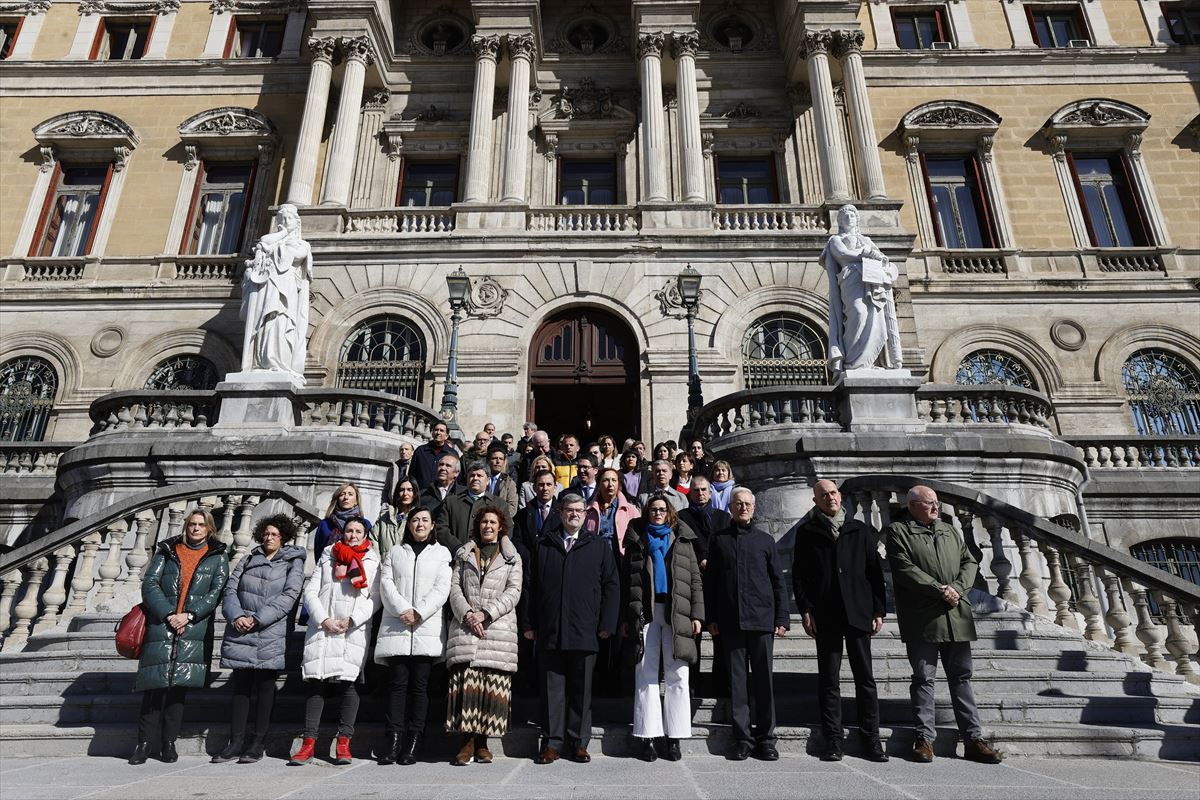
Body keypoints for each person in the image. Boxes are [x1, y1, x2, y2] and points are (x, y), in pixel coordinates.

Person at [886, 485, 1002, 765]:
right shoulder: (898, 531)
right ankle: (924, 739)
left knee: (962, 677)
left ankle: (974, 739)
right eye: (929, 503)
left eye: (936, 503)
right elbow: (904, 568)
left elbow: (969, 561)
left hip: (956, 614)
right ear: (913, 505)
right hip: (923, 617)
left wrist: (958, 589)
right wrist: (939, 589)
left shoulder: (949, 530)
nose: (936, 508)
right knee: (924, 678)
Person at [792, 480, 888, 763]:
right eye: (824, 495)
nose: (830, 498)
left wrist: (878, 609)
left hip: (858, 611)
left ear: (840, 496)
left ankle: (871, 738)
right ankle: (833, 739)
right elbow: (799, 577)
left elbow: (874, 572)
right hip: (826, 613)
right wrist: (806, 609)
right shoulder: (807, 532)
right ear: (815, 501)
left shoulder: (860, 529)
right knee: (829, 681)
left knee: (865, 680)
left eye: (833, 493)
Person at [523, 493, 619, 765]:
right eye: (569, 510)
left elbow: (611, 585)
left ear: (586, 514)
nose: (574, 514)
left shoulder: (598, 545)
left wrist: (607, 624)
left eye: (579, 510)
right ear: (561, 513)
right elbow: (531, 588)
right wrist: (529, 624)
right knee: (552, 691)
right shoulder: (544, 545)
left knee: (581, 690)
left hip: (585, 629)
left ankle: (578, 742)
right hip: (550, 629)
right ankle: (552, 743)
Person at [130, 508, 230, 765]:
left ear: (209, 529)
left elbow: (217, 590)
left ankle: (168, 743)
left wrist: (189, 616)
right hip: (162, 624)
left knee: (177, 691)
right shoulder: (167, 550)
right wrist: (168, 614)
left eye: (201, 525)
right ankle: (142, 744)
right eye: (192, 524)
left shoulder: (218, 555)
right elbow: (150, 584)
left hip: (193, 628)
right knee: (154, 688)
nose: (196, 529)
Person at [213, 515, 306, 764]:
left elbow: (291, 594)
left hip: (270, 631)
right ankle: (235, 742)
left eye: (274, 534)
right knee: (241, 688)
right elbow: (230, 590)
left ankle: (257, 742)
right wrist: (237, 616)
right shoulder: (249, 558)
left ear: (283, 537)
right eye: (266, 533)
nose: (269, 538)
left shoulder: (293, 561)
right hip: (241, 628)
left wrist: (258, 619)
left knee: (266, 687)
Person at [704, 488, 789, 761]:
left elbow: (778, 581)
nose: (743, 508)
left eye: (747, 504)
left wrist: (782, 617)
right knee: (737, 684)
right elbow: (711, 583)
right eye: (738, 504)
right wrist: (712, 618)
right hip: (730, 621)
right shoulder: (718, 541)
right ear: (730, 507)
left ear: (754, 508)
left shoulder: (765, 541)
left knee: (764, 682)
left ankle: (766, 739)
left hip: (762, 620)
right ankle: (742, 738)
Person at [290, 517, 380, 766]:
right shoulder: (329, 554)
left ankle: (344, 743)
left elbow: (374, 598)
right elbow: (311, 590)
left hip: (353, 629)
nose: (353, 535)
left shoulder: (373, 560)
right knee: (315, 682)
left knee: (349, 684)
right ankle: (308, 743)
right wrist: (323, 619)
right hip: (323, 627)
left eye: (358, 531)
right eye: (349, 530)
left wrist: (351, 620)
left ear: (365, 535)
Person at [623, 497, 704, 762]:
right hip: (645, 613)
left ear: (669, 513)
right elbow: (628, 581)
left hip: (675, 612)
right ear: (647, 513)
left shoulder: (681, 540)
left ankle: (674, 737)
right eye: (653, 510)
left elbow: (694, 579)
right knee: (645, 673)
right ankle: (648, 735)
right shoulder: (638, 540)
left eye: (662, 510)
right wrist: (626, 617)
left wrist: (697, 614)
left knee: (678, 675)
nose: (658, 513)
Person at [374, 507, 452, 765]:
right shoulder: (395, 552)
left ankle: (414, 741)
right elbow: (386, 584)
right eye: (415, 520)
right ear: (409, 525)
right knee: (397, 686)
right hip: (397, 626)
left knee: (420, 687)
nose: (420, 524)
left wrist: (418, 612)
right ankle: (394, 739)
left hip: (425, 629)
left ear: (432, 526)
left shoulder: (442, 553)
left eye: (425, 520)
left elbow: (443, 588)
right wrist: (402, 610)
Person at [445, 508, 523, 765]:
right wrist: (468, 614)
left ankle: (483, 743)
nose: (488, 526)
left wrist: (487, 614)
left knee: (491, 688)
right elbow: (454, 587)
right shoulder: (464, 554)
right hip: (466, 629)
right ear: (478, 526)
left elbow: (514, 592)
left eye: (493, 522)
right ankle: (465, 742)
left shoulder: (512, 557)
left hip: (496, 630)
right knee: (467, 686)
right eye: (484, 522)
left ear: (501, 527)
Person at [821, 204, 903, 372]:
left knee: (875, 318)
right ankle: (853, 363)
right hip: (850, 278)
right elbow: (842, 254)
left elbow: (881, 257)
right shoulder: (836, 240)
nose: (849, 218)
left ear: (857, 219)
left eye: (852, 215)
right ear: (840, 222)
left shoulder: (866, 240)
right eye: (845, 216)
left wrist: (881, 257)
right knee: (858, 313)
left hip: (870, 280)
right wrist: (864, 253)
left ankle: (868, 363)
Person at [239, 203, 312, 378]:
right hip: (268, 286)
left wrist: (274, 245)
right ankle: (263, 361)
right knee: (265, 320)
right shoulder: (275, 239)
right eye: (281, 219)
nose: (285, 222)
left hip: (287, 288)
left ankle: (279, 361)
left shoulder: (303, 245)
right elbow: (264, 241)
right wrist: (282, 234)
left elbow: (294, 255)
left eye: (289, 219)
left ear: (297, 222)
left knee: (282, 320)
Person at [435, 461, 505, 555]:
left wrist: (489, 551)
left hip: (487, 559)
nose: (475, 478)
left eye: (479, 476)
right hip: (454, 557)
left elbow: (506, 531)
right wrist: (457, 548)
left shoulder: (499, 504)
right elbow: (441, 528)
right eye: (472, 475)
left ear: (488, 480)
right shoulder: (451, 502)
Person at [677, 475, 731, 568]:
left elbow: (728, 544)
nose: (700, 493)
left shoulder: (724, 517)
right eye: (696, 490)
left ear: (710, 493)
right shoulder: (681, 517)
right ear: (690, 494)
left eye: (703, 489)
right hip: (692, 567)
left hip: (720, 567)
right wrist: (700, 559)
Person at [583, 467, 638, 557]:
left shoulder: (631, 510)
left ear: (618, 484)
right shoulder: (588, 511)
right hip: (596, 559)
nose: (610, 484)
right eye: (606, 480)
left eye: (614, 480)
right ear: (599, 485)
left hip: (621, 560)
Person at [313, 483, 372, 559]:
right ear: (337, 499)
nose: (346, 497)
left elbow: (369, 550)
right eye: (342, 494)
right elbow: (319, 554)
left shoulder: (366, 524)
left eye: (350, 494)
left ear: (356, 500)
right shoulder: (325, 524)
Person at [515, 468, 560, 557]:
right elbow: (517, 540)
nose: (545, 488)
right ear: (534, 488)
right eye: (541, 484)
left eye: (549, 484)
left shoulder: (562, 513)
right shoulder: (523, 514)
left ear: (555, 487)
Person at [372, 476, 418, 559]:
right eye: (402, 490)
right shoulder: (385, 517)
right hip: (384, 567)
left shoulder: (418, 518)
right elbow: (373, 539)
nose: (405, 493)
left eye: (409, 490)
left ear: (415, 493)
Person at [411, 421, 458, 490]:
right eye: (436, 430)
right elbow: (412, 475)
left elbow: (456, 477)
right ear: (432, 433)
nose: (438, 432)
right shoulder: (420, 451)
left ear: (446, 436)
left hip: (442, 496)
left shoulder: (452, 454)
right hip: (421, 494)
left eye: (441, 431)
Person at [486, 443, 519, 518]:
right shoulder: (481, 478)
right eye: (494, 458)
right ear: (488, 461)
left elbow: (512, 507)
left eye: (501, 459)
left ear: (504, 462)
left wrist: (496, 517)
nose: (498, 462)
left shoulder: (509, 483)